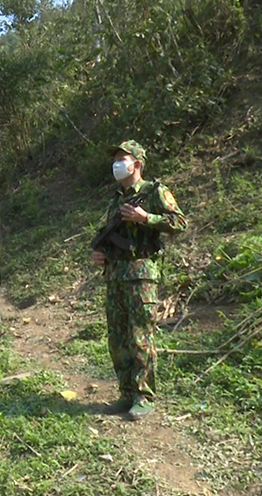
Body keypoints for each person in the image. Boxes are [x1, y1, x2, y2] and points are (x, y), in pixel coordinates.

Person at [90, 140, 187, 421]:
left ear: (137, 164)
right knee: (118, 338)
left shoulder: (154, 192)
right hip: (115, 276)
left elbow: (180, 223)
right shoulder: (115, 200)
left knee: (140, 336)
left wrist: (147, 218)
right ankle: (127, 393)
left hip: (142, 275)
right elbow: (105, 236)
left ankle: (144, 396)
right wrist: (100, 254)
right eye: (115, 159)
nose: (117, 164)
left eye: (123, 159)